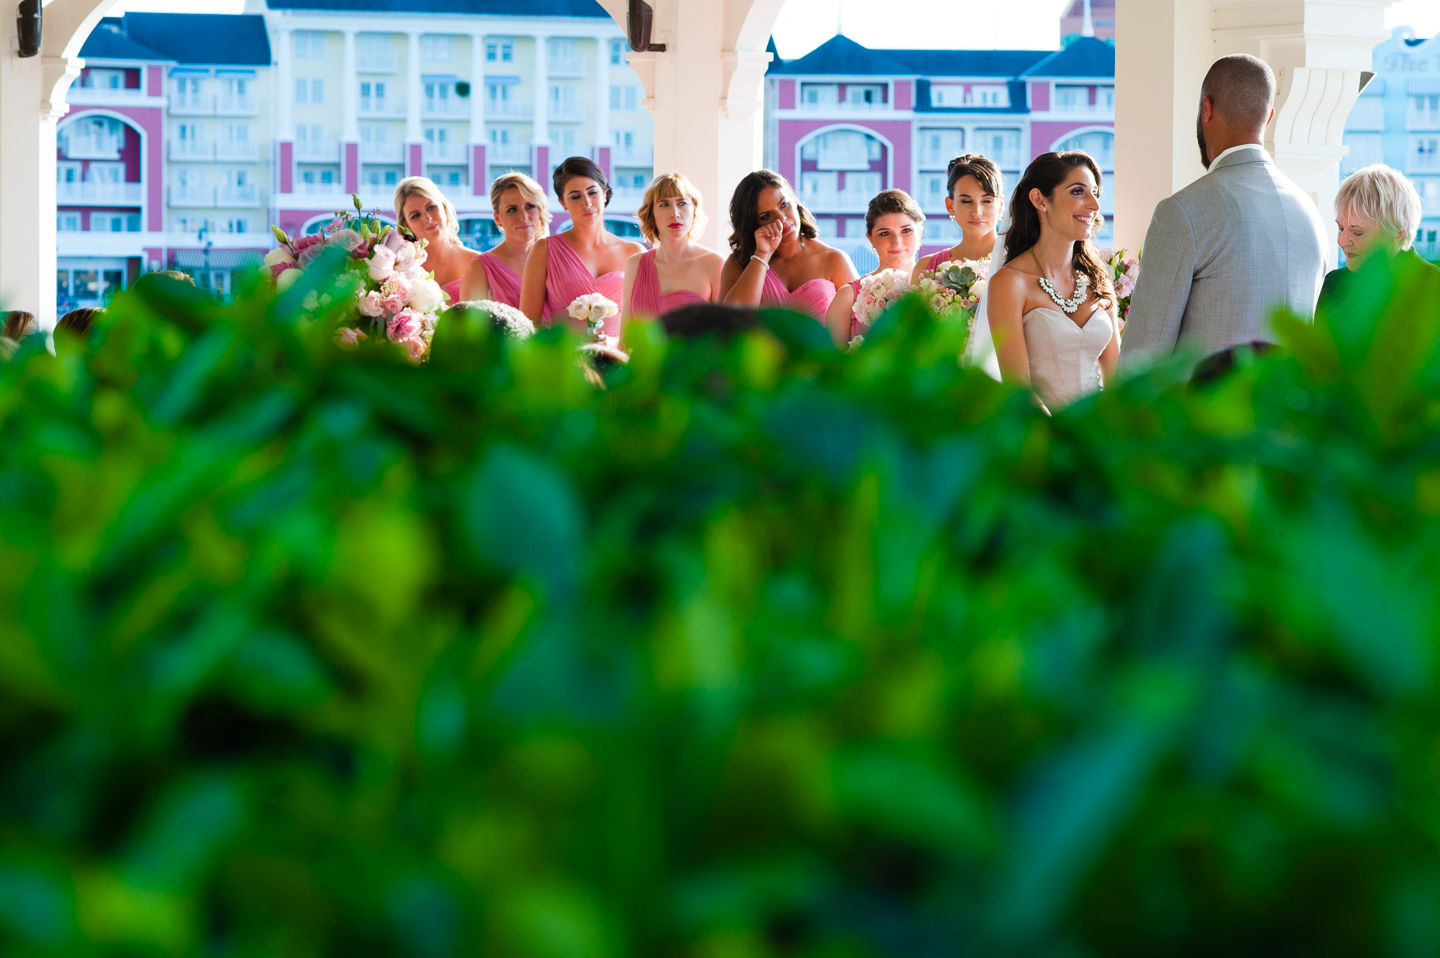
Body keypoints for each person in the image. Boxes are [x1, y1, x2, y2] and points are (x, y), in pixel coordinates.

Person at [1119, 54, 1328, 372]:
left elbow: (1143, 361)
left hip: (1203, 419)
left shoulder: (1181, 212)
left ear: (1207, 109)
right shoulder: (1310, 213)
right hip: (1286, 418)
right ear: (1268, 118)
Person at [985, 151, 1119, 410]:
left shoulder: (1098, 280)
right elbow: (1018, 390)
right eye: (1078, 192)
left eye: (1095, 193)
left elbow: (1116, 374)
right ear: (1039, 199)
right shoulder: (1010, 283)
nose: (1094, 205)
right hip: (1043, 438)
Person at [519, 156, 645, 338]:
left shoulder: (634, 252)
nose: (586, 203)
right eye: (575, 196)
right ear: (562, 202)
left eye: (592, 192)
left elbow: (644, 322)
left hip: (621, 361)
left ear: (606, 194)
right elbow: (529, 325)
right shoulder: (544, 250)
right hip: (566, 361)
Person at [720, 169, 855, 321]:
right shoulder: (738, 263)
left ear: (794, 201)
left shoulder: (834, 259)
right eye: (766, 216)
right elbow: (729, 322)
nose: (782, 219)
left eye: (784, 204)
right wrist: (762, 254)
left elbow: (861, 324)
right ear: (753, 224)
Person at [1317, 163, 1438, 315]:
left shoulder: (1434, 289)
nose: (1342, 241)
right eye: (1341, 229)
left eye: (1358, 232)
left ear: (1397, 233)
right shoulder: (1333, 283)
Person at [826, 189, 924, 346]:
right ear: (870, 238)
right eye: (885, 233)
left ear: (919, 233)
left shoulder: (939, 287)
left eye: (906, 230)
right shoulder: (848, 296)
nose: (896, 242)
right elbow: (829, 360)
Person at [622, 173, 723, 323]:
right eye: (664, 204)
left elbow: (726, 333)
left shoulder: (715, 263)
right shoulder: (634, 264)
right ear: (651, 214)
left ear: (694, 209)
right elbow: (625, 334)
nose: (675, 214)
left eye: (682, 203)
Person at [459, 172, 549, 308]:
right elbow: (471, 325)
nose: (524, 217)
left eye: (530, 206)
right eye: (512, 210)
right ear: (497, 218)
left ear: (540, 210)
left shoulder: (555, 257)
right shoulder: (481, 267)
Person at [911, 154, 1004, 280]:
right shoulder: (926, 268)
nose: (977, 212)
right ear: (950, 206)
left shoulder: (1021, 262)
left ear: (1000, 206)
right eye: (966, 201)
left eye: (987, 201)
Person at [395, 176, 478, 307]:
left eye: (431, 207)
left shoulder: (477, 261)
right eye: (415, 216)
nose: (428, 218)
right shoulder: (398, 269)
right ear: (407, 225)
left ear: (444, 208)